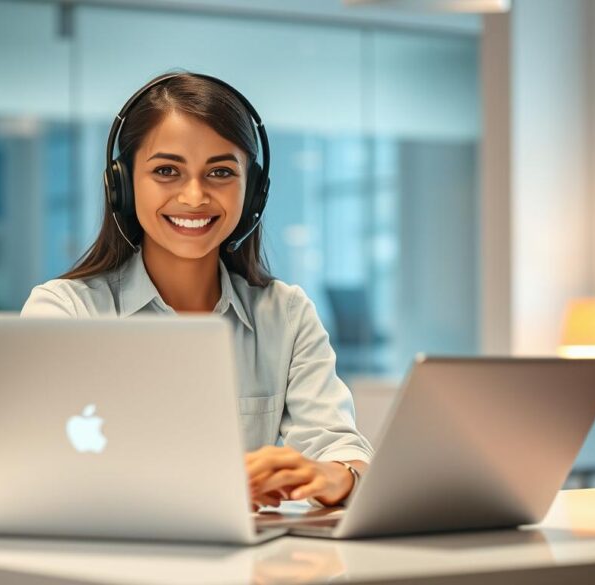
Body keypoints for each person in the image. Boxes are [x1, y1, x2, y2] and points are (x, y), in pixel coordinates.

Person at [22, 71, 373, 508]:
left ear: (254, 192)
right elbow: (36, 466)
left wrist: (335, 476)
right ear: (123, 185)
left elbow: (341, 447)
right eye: (167, 170)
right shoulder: (65, 312)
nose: (194, 196)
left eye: (221, 172)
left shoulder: (285, 314)